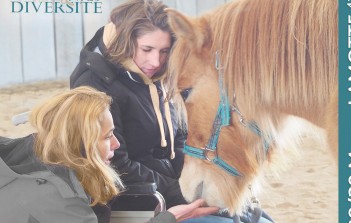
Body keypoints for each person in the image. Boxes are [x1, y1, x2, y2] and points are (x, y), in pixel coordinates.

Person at [70, 0, 274, 222]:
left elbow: (178, 135)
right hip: (138, 199)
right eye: (147, 49)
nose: (156, 61)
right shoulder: (95, 83)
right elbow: (115, 164)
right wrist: (181, 193)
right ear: (126, 41)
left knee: (260, 219)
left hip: (168, 187)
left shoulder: (156, 73)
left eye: (164, 51)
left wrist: (194, 180)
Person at [0, 86, 219, 223]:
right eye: (107, 136)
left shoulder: (21, 155)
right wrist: (171, 217)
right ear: (80, 142)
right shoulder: (59, 197)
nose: (116, 144)